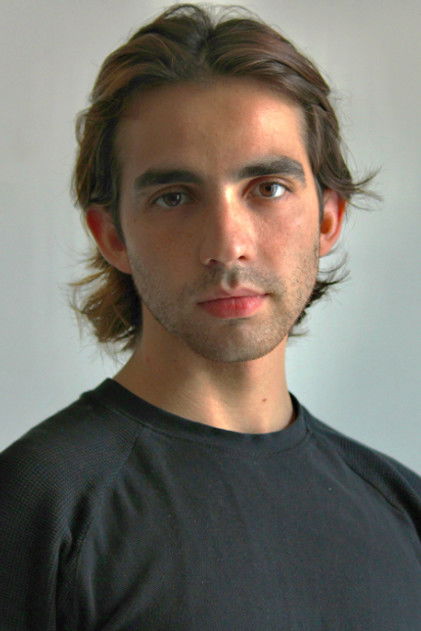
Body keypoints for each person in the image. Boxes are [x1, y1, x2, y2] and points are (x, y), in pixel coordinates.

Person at [1, 3, 420, 629]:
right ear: (112, 235)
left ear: (328, 218)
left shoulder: (402, 508)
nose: (228, 245)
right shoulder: (37, 507)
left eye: (268, 188)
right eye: (174, 197)